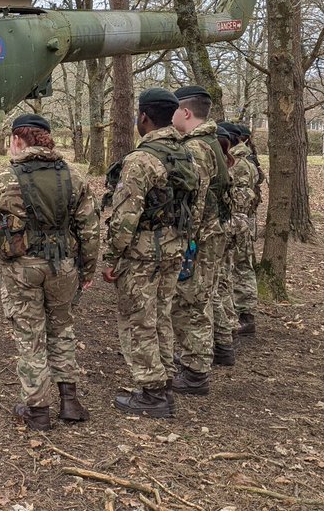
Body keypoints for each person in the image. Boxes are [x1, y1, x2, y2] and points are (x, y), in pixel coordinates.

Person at [0, 114, 99, 431]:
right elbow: (89, 228)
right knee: (62, 329)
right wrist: (88, 268)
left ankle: (38, 410)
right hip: (64, 266)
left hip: (22, 269)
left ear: (18, 140)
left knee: (30, 337)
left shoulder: (2, 180)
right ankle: (69, 401)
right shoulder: (74, 177)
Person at [102, 89, 196, 418]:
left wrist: (111, 258)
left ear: (143, 116)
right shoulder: (186, 154)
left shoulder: (140, 160)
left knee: (138, 320)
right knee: (161, 316)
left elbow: (125, 218)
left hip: (143, 253)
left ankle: (153, 393)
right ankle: (165, 378)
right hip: (174, 247)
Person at [169, 85, 230, 395]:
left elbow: (196, 199)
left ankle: (195, 372)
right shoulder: (210, 142)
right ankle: (196, 363)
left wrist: (183, 241)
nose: (171, 117)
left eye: (175, 111)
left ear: (186, 112)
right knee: (199, 301)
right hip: (212, 234)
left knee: (189, 303)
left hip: (200, 238)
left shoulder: (195, 148)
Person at [209, 125, 240, 365]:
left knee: (211, 291)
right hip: (225, 230)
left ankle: (222, 341)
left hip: (216, 233)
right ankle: (226, 333)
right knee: (221, 284)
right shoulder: (226, 166)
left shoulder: (222, 169)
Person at [227, 123, 259, 335]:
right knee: (244, 266)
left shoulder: (236, 163)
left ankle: (242, 315)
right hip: (246, 220)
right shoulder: (249, 161)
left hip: (235, 220)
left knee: (237, 267)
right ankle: (245, 313)